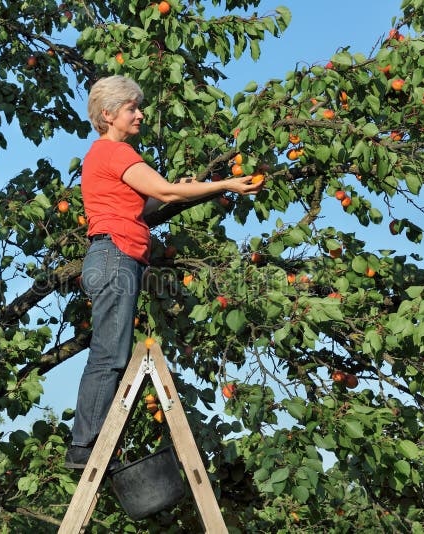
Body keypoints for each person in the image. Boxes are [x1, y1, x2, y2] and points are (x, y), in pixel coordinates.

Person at [64, 75, 263, 469]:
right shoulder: (116, 153)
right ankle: (85, 448)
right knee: (110, 355)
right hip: (115, 256)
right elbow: (169, 194)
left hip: (111, 255)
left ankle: (87, 445)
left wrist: (178, 187)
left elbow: (146, 205)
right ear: (108, 115)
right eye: (131, 108)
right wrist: (224, 184)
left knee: (111, 352)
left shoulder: (100, 156)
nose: (139, 114)